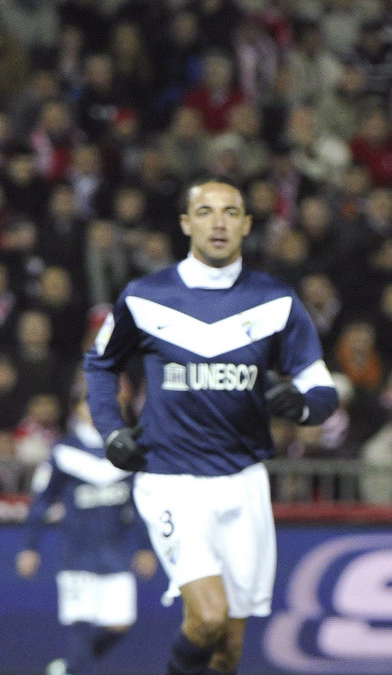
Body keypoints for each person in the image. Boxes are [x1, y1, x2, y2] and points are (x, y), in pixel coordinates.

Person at [82, 176, 339, 675]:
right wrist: (111, 429)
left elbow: (321, 389)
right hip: (170, 479)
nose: (217, 222)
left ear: (246, 224)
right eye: (205, 211)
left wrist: (300, 407)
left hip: (243, 482)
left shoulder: (276, 301)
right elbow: (100, 364)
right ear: (186, 223)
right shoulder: (145, 296)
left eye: (229, 212)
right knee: (207, 616)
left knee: (227, 647)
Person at [16, 392, 158, 675]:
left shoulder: (128, 450)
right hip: (77, 554)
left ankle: (69, 668)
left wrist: (145, 547)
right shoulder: (64, 452)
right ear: (77, 409)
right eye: (88, 404)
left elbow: (142, 504)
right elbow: (41, 501)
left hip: (116, 554)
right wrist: (30, 547)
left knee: (119, 625)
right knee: (79, 625)